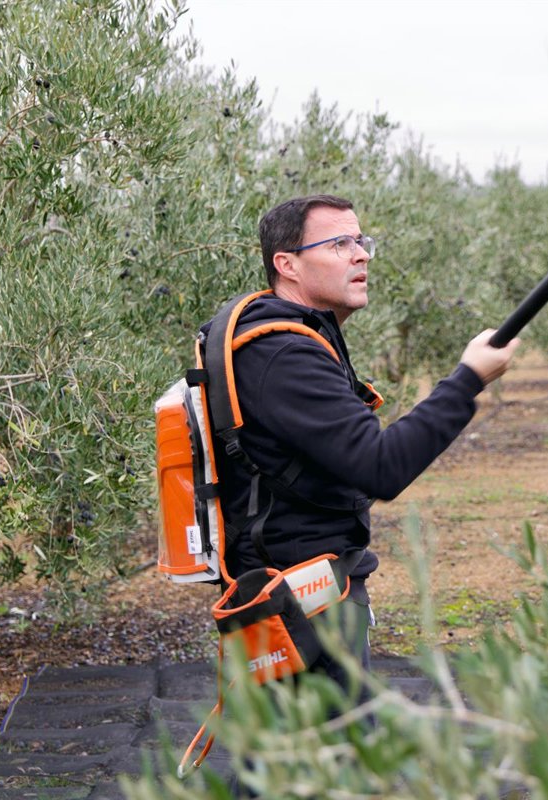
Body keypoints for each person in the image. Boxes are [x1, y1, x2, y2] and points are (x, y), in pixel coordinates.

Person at [207, 194, 519, 702]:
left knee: (283, 770)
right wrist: (467, 380)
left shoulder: (287, 340)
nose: (362, 255)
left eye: (361, 241)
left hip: (297, 596)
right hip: (301, 609)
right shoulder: (284, 356)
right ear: (286, 265)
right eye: (340, 243)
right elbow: (381, 466)